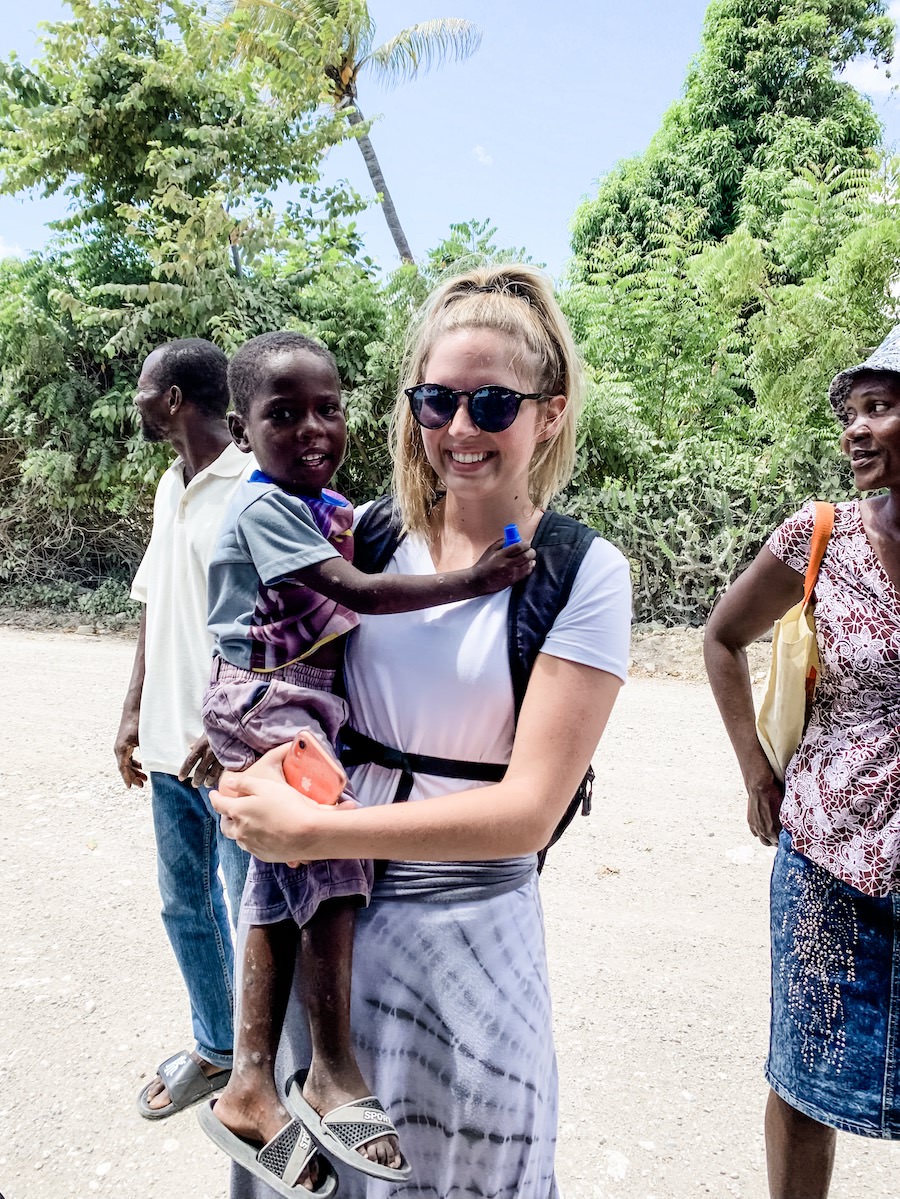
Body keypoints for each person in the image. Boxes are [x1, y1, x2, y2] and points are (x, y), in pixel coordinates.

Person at [211, 264, 633, 1198]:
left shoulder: (582, 573)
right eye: (437, 400)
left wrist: (319, 833)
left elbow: (525, 813)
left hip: (467, 931)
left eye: (492, 402)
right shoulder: (358, 538)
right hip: (332, 929)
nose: (461, 429)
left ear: (550, 413)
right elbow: (260, 663)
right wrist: (245, 763)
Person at [197, 330, 536, 1195]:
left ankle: (248, 1086)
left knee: (284, 879)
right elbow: (355, 595)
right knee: (330, 855)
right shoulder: (268, 507)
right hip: (270, 702)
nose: (312, 428)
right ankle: (330, 1071)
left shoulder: (330, 505)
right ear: (242, 432)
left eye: (328, 409)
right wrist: (477, 580)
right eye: (284, 415)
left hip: (289, 706)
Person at [704, 327, 900, 1199]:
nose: (858, 429)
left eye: (882, 407)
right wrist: (756, 771)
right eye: (853, 411)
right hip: (827, 849)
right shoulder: (819, 537)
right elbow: (720, 638)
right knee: (804, 1072)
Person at [114, 338, 250, 1119]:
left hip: (227, 753)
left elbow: (282, 626)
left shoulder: (252, 488)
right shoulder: (173, 486)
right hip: (168, 749)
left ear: (172, 399)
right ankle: (218, 1044)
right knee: (183, 905)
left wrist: (235, 719)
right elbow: (153, 602)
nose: (137, 399)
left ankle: (274, 1065)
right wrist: (132, 711)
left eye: (143, 387)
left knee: (251, 907)